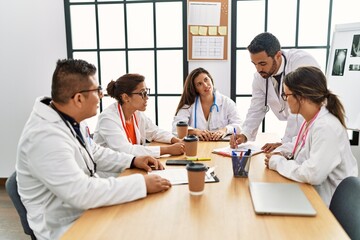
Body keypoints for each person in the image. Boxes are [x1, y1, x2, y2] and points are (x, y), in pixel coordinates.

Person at [16, 59, 171, 240]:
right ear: (79, 98)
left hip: (85, 210)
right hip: (64, 227)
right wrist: (141, 184)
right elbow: (81, 192)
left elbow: (94, 152)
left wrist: (133, 160)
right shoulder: (44, 138)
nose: (102, 95)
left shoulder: (69, 119)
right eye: (97, 90)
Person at [264, 66, 358, 206]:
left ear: (300, 96)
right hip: (313, 194)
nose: (285, 100)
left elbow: (312, 174)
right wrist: (280, 152)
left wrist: (278, 163)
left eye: (286, 95)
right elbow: (299, 144)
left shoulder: (325, 126)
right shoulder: (312, 120)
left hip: (329, 205)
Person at [230, 32, 320, 152]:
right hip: (297, 135)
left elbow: (300, 108)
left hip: (314, 128)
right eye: (254, 64)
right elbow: (256, 108)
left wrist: (285, 144)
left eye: (262, 63)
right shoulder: (259, 77)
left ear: (278, 55)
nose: (258, 69)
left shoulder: (301, 63)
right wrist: (244, 134)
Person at [94, 73, 185, 157]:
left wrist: (176, 140)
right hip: (113, 172)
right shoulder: (108, 118)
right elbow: (125, 150)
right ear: (125, 97)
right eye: (142, 93)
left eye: (146, 92)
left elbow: (154, 132)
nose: (147, 97)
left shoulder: (136, 113)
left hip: (131, 166)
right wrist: (167, 150)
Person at [172, 67, 243, 141]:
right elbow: (176, 127)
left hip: (221, 145)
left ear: (211, 79)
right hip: (197, 145)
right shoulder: (189, 104)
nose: (205, 85)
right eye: (199, 84)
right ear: (195, 88)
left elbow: (239, 125)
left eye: (206, 80)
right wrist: (195, 132)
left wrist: (224, 130)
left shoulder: (227, 102)